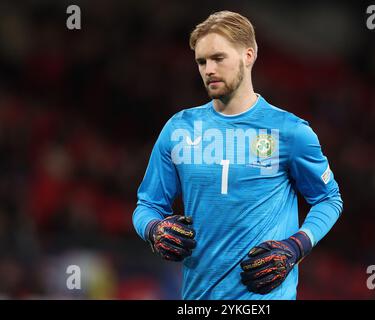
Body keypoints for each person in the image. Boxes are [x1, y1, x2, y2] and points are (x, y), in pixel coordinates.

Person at [132, 10, 343, 300]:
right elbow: (147, 205)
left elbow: (329, 199)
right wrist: (155, 228)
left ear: (249, 55)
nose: (208, 69)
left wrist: (296, 246)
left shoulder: (290, 131)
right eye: (202, 61)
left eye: (218, 58)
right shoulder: (178, 129)